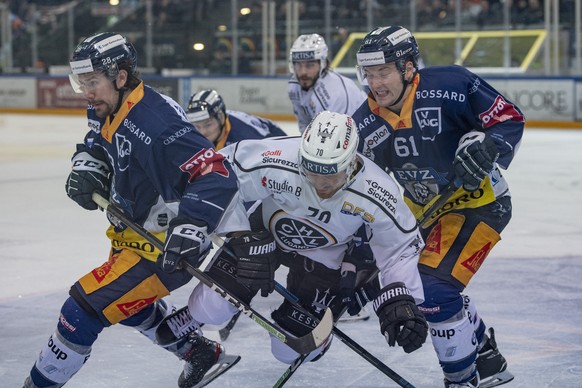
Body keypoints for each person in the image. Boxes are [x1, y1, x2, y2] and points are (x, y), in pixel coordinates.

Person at [23, 32, 241, 388]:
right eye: (82, 82)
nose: (86, 93)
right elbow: (97, 140)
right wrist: (88, 166)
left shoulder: (155, 123)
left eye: (92, 82)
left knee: (81, 312)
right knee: (130, 305)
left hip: (162, 247)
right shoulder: (106, 103)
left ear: (121, 77)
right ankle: (197, 351)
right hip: (132, 234)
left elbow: (216, 173)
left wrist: (190, 228)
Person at [176, 110, 428, 371]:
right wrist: (240, 235)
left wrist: (400, 296)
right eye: (311, 170)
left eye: (331, 173)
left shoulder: (377, 190)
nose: (320, 183)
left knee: (289, 348)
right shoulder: (278, 157)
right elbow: (218, 174)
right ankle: (195, 314)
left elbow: (401, 246)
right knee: (210, 308)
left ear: (352, 162)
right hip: (264, 234)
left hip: (326, 251)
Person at [351, 26, 524, 387]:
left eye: (382, 71)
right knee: (421, 287)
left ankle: (462, 379)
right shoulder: (364, 123)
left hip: (480, 204)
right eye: (368, 73)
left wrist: (489, 147)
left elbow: (508, 118)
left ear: (408, 67)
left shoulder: (453, 84)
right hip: (421, 213)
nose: (375, 82)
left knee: (432, 293)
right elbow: (357, 189)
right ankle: (486, 358)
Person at [288, 33, 367, 133]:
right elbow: (304, 124)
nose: (303, 72)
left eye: (310, 65)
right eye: (298, 65)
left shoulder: (335, 93)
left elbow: (339, 135)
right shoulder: (294, 86)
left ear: (323, 63)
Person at [186, 88, 287, 151]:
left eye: (207, 125)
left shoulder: (247, 137)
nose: (202, 132)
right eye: (197, 126)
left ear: (221, 118)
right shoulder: (192, 133)